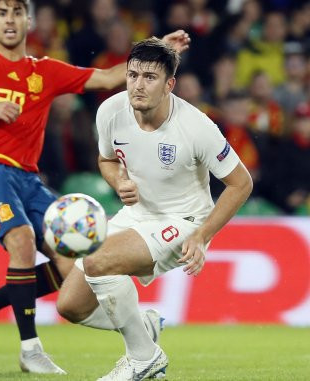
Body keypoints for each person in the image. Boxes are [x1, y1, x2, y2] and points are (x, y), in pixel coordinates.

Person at [0, 0, 190, 374]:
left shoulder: (45, 71)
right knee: (22, 240)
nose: (10, 20)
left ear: (29, 20)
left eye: (17, 13)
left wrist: (160, 50)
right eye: (2, 13)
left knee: (74, 266)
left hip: (28, 178)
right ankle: (30, 349)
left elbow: (107, 78)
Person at [55, 38, 252, 380]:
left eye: (149, 77)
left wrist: (203, 235)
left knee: (97, 261)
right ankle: (143, 328)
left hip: (185, 220)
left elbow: (241, 183)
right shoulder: (110, 112)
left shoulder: (196, 127)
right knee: (70, 305)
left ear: (169, 84)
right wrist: (118, 181)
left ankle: (144, 357)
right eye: (132, 75)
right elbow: (105, 159)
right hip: (137, 216)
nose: (138, 85)